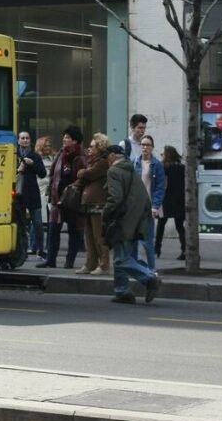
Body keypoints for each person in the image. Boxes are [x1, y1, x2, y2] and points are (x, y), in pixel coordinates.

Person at [103, 145, 161, 304]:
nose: (106, 160)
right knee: (124, 256)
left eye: (107, 157)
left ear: (113, 156)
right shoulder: (130, 169)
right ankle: (122, 291)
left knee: (122, 259)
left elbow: (115, 198)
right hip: (138, 219)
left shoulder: (114, 171)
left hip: (124, 220)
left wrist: (106, 213)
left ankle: (149, 278)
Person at [42, 125, 87, 269]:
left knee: (74, 231)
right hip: (57, 199)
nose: (64, 139)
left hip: (73, 200)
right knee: (53, 229)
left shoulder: (81, 156)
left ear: (75, 141)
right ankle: (50, 260)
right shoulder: (60, 154)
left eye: (67, 137)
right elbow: (53, 174)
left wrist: (73, 189)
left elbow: (83, 177)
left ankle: (69, 261)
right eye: (64, 137)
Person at [74, 133, 111, 275]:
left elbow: (88, 174)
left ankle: (104, 265)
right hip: (89, 203)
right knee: (89, 236)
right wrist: (83, 173)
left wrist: (82, 172)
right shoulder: (93, 161)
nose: (88, 149)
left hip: (98, 204)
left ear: (100, 147)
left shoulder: (102, 162)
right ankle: (90, 263)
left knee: (99, 236)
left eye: (92, 146)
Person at [13, 131, 47, 266]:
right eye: (22, 138)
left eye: (27, 138)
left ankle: (40, 250)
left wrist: (32, 163)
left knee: (38, 223)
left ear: (30, 140)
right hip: (18, 194)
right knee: (21, 225)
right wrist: (19, 168)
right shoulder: (14, 155)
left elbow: (43, 173)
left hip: (32, 193)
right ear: (18, 140)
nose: (25, 140)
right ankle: (22, 251)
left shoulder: (35, 155)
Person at [136, 134, 165, 271]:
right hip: (135, 206)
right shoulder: (135, 162)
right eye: (143, 145)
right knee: (133, 239)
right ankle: (137, 266)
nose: (145, 147)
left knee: (147, 241)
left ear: (152, 147)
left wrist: (155, 206)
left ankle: (152, 269)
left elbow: (160, 187)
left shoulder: (157, 165)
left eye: (148, 145)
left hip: (148, 207)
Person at [155, 145, 186, 261]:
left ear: (167, 155)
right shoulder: (182, 167)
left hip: (166, 199)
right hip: (180, 200)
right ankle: (185, 250)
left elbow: (163, 185)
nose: (161, 155)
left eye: (163, 153)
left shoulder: (164, 167)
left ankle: (157, 248)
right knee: (180, 226)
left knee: (161, 224)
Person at [35, 136, 55, 261]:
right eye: (45, 146)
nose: (48, 148)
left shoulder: (53, 158)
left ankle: (46, 248)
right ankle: (39, 248)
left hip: (50, 194)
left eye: (49, 146)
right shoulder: (37, 159)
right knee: (39, 224)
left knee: (50, 224)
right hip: (40, 193)